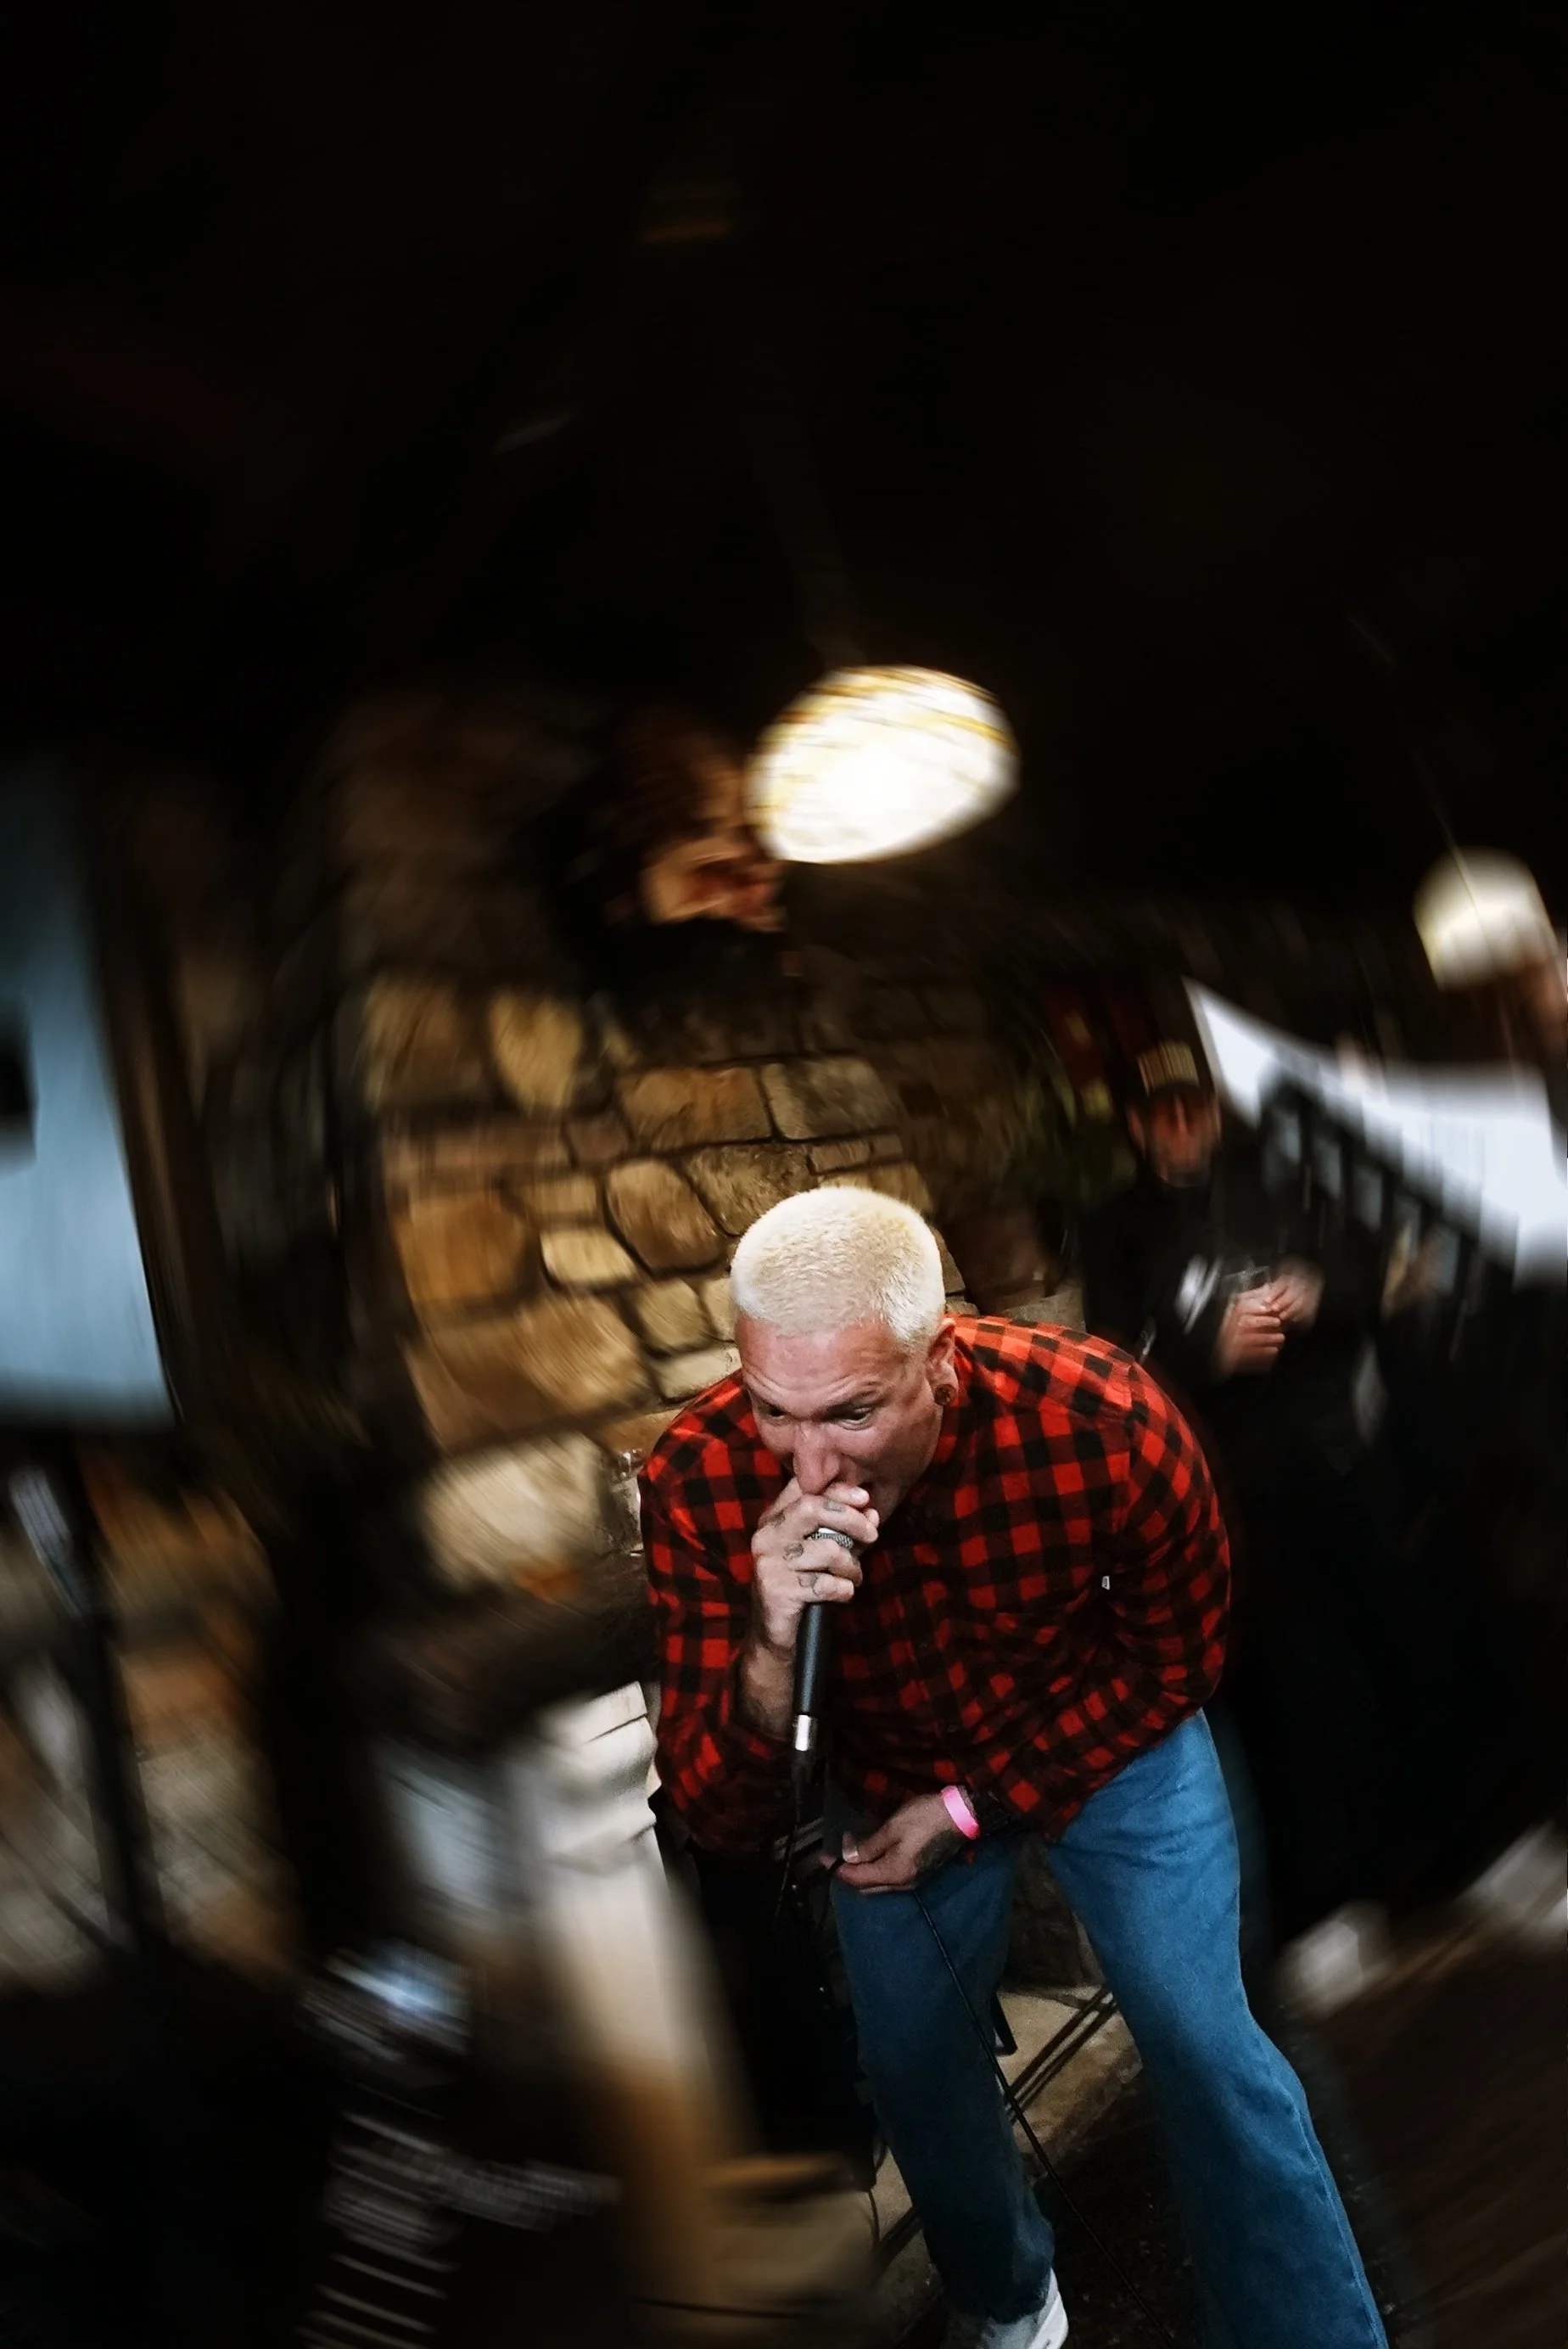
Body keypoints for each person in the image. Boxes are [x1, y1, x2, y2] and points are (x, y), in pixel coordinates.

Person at [642, 1186, 1388, 2349]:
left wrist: (978, 1805)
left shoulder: (1103, 1417)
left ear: (937, 1365)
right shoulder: (694, 1481)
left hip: (1106, 1739)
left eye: (850, 1411)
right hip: (887, 1777)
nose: (808, 1462)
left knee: (1205, 2042)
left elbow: (1175, 1658)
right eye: (774, 1413)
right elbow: (721, 1812)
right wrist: (771, 1638)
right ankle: (1010, 2299)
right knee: (917, 2071)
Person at [1078, 1039, 1420, 1948]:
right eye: (1161, 1113)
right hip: (1232, 1502)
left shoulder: (1281, 1186)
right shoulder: (1115, 1226)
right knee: (1289, 1690)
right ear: (1138, 1126)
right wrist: (1205, 1354)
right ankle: (1332, 1894)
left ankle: (1420, 1864)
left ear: (1216, 1110)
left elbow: (1377, 1284)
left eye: (1194, 1106)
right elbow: (1113, 1373)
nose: (1182, 1125)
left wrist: (1316, 1291)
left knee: (1390, 1647)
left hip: (1340, 1462)